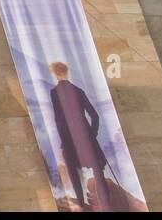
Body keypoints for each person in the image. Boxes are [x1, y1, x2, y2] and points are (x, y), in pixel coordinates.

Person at [48, 61, 115, 210]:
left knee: (74, 173)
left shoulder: (55, 92)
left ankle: (81, 204)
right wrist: (92, 133)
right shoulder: (78, 90)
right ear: (67, 72)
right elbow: (95, 116)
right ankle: (106, 205)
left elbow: (58, 119)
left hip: (69, 139)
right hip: (87, 138)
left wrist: (64, 142)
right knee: (98, 171)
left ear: (55, 74)